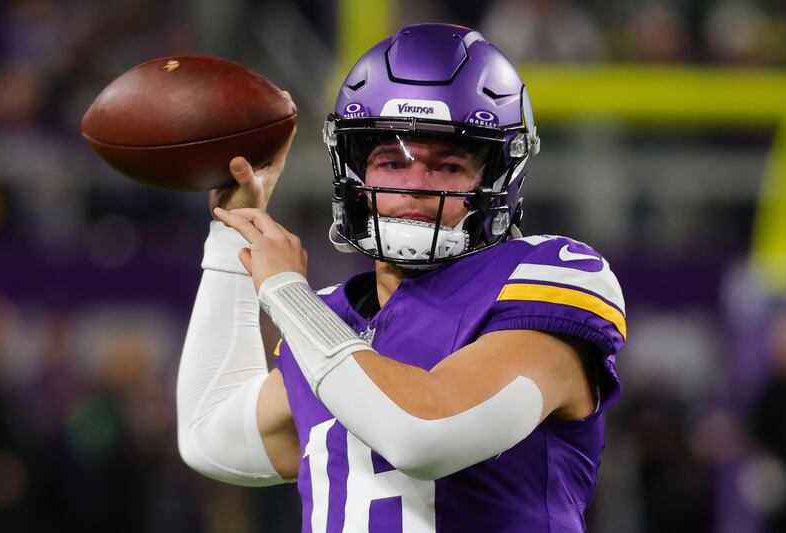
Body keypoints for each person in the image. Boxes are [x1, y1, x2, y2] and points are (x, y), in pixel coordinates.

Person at [176, 23, 627, 532]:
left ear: (501, 177)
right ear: (354, 173)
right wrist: (231, 231)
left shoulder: (544, 276)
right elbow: (209, 435)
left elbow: (423, 435)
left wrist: (287, 297)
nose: (414, 187)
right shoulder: (333, 321)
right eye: (391, 161)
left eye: (449, 166)